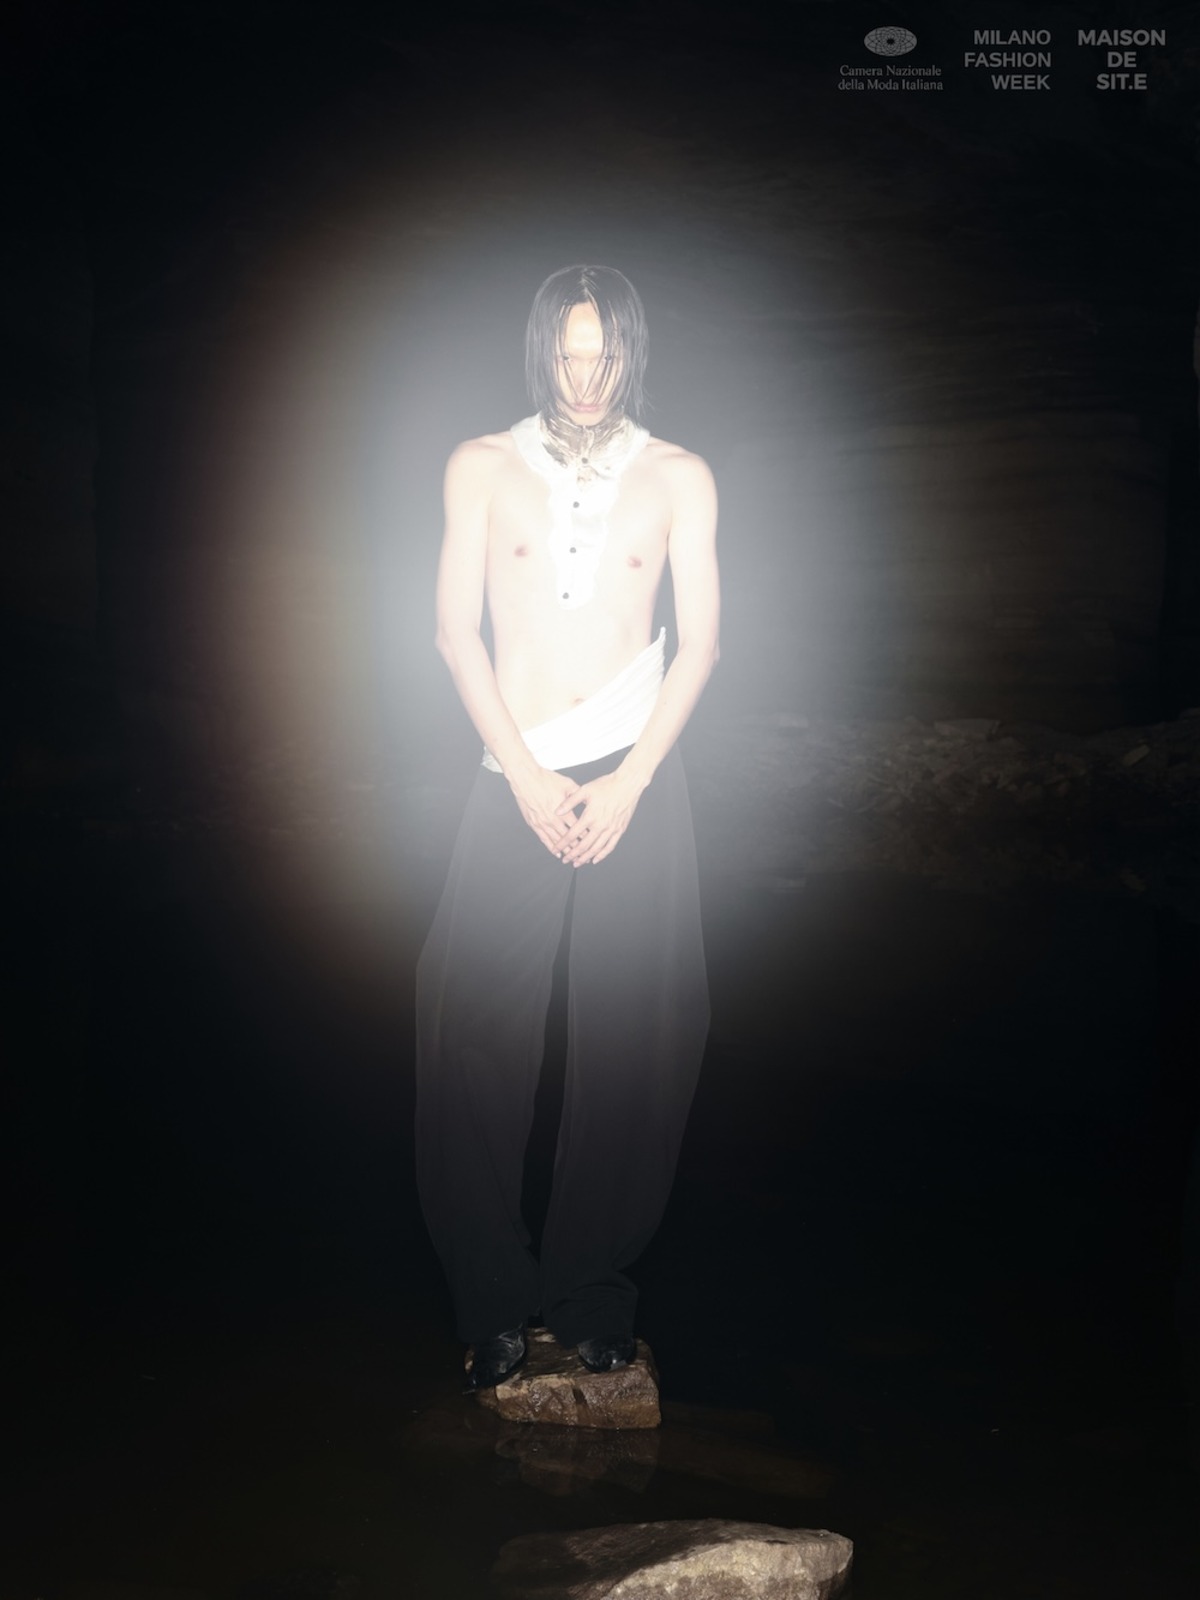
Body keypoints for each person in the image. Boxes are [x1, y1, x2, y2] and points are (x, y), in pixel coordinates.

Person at [415, 264, 719, 1391]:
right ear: (542, 349)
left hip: (637, 773)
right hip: (516, 770)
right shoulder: (480, 464)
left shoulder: (680, 474)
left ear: (632, 352)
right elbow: (455, 633)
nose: (586, 377)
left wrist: (632, 781)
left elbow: (702, 643)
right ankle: (491, 1299)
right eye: (568, 353)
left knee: (640, 1035)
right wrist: (525, 774)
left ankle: (591, 1292)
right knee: (470, 1031)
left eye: (606, 355)